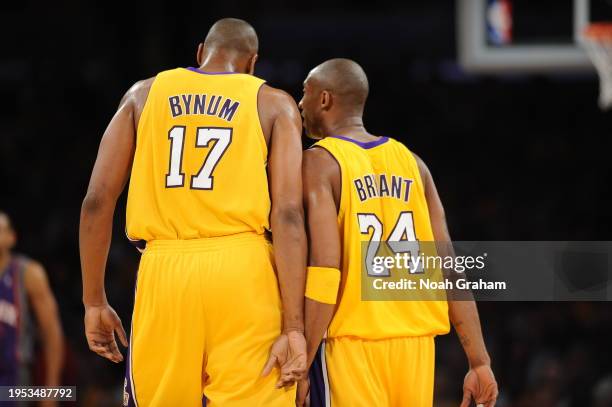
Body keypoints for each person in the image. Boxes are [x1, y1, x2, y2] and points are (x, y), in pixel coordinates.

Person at [79, 18, 307, 406]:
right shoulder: (274, 103)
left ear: (201, 52)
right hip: (245, 270)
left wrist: (94, 301)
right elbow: (287, 214)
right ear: (253, 63)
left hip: (165, 269)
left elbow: (97, 201)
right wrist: (295, 327)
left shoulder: (142, 94)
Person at [297, 58, 498, 407]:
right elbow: (449, 265)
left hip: (352, 347)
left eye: (305, 93)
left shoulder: (320, 163)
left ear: (325, 99)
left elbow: (327, 269)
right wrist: (479, 361)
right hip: (416, 349)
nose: (300, 104)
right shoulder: (413, 163)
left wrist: (303, 359)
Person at [0, 211, 64, 406]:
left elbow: (52, 334)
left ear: (12, 237)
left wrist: (51, 390)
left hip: (13, 376)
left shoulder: (28, 274)